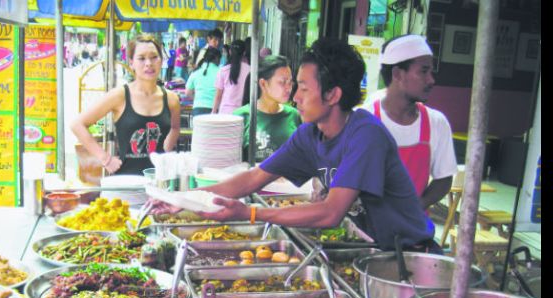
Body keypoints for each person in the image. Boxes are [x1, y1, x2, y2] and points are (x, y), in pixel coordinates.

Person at [153, 38, 436, 253]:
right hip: (373, 250)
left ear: (332, 94)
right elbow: (254, 178)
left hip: (409, 256)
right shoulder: (310, 134)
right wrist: (186, 199)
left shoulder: (365, 135)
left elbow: (330, 212)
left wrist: (251, 213)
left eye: (303, 87)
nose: (295, 97)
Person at [363, 34, 457, 215]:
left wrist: (416, 206)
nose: (431, 80)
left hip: (412, 229)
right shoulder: (365, 119)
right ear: (398, 74)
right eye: (423, 71)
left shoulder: (436, 123)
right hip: (365, 227)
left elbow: (444, 179)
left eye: (431, 72)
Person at [70, 34, 181, 175]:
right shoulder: (119, 95)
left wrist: (165, 151)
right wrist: (106, 159)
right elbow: (77, 125)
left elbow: (175, 127)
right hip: (125, 183)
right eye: (141, 58)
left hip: (159, 181)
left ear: (161, 60)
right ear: (131, 63)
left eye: (154, 57)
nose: (148, 63)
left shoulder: (171, 99)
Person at [234, 55, 301, 165]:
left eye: (290, 82)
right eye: (282, 82)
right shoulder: (241, 117)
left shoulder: (294, 116)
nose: (288, 88)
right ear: (263, 84)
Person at [212, 39, 250, 114]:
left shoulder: (223, 70)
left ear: (230, 51)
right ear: (244, 52)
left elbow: (218, 95)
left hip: (225, 113)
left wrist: (213, 111)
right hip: (243, 113)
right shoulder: (250, 70)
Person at [186, 46, 222, 117]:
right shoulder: (221, 72)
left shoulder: (195, 73)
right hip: (215, 110)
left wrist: (197, 99)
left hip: (198, 109)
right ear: (216, 58)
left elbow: (188, 93)